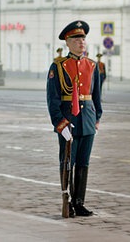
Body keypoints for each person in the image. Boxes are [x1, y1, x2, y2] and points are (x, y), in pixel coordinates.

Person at [46, 20, 102, 217]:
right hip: (68, 122)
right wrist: (60, 123)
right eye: (76, 39)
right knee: (68, 162)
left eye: (83, 38)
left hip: (87, 120)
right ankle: (67, 201)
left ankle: (79, 202)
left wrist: (97, 118)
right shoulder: (58, 66)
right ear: (67, 42)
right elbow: (53, 99)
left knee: (83, 163)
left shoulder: (92, 66)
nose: (81, 42)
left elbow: (96, 96)